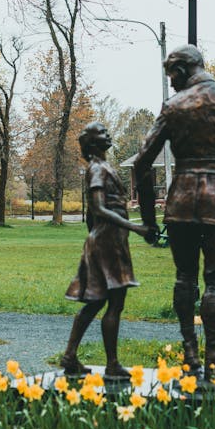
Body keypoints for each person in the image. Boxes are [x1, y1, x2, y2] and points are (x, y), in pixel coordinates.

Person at [133, 45, 215, 381]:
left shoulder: (172, 107)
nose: (173, 84)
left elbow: (141, 162)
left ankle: (190, 354)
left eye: (172, 77)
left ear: (181, 70)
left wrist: (148, 219)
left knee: (184, 278)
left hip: (182, 203)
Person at [62, 121, 155, 380]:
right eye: (102, 133)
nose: (108, 134)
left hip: (109, 240)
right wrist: (134, 228)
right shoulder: (96, 170)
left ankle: (70, 356)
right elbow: (99, 209)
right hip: (107, 242)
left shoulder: (103, 167)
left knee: (98, 302)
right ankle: (112, 364)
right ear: (92, 143)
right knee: (112, 302)